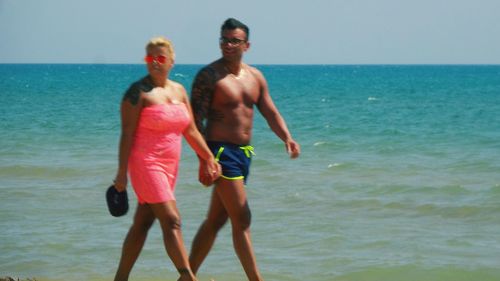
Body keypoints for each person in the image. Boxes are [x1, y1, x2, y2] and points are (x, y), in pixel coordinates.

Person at [189, 18, 301, 281]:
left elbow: (269, 111)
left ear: (246, 45)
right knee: (243, 218)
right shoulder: (209, 76)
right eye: (223, 39)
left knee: (216, 220)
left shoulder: (255, 77)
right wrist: (203, 159)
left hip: (244, 154)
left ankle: (186, 275)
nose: (227, 45)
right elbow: (194, 122)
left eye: (234, 40)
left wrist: (287, 137)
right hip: (219, 153)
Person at [112, 36, 221, 281]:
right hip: (145, 163)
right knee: (172, 219)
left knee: (142, 223)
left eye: (160, 58)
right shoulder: (137, 92)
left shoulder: (179, 91)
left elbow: (190, 129)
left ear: (172, 60)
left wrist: (207, 158)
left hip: (170, 166)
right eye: (149, 58)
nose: (155, 62)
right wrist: (121, 173)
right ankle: (188, 277)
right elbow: (126, 134)